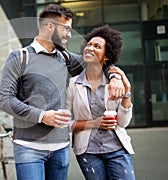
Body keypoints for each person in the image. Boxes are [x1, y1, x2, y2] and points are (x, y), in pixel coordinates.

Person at [0, 4, 125, 180]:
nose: (69, 34)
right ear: (50, 26)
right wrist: (42, 116)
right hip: (28, 148)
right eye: (66, 28)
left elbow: (99, 63)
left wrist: (115, 77)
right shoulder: (19, 57)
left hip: (60, 148)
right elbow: (4, 99)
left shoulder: (65, 58)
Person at [66, 25, 136, 180]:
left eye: (97, 46)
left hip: (117, 149)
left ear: (106, 56)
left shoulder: (115, 82)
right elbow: (64, 123)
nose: (90, 48)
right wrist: (94, 123)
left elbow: (123, 123)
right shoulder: (73, 84)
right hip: (88, 152)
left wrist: (127, 91)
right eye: (89, 45)